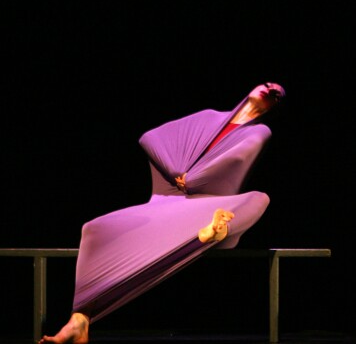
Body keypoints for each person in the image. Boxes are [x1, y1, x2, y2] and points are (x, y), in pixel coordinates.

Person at [38, 82, 287, 344]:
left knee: (258, 199)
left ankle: (217, 230)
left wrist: (194, 177)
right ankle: (79, 320)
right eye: (268, 85)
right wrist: (176, 169)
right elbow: (151, 138)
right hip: (170, 206)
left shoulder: (260, 132)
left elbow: (235, 159)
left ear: (275, 107)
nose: (269, 90)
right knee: (94, 228)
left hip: (211, 204)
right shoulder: (209, 117)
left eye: (276, 94)